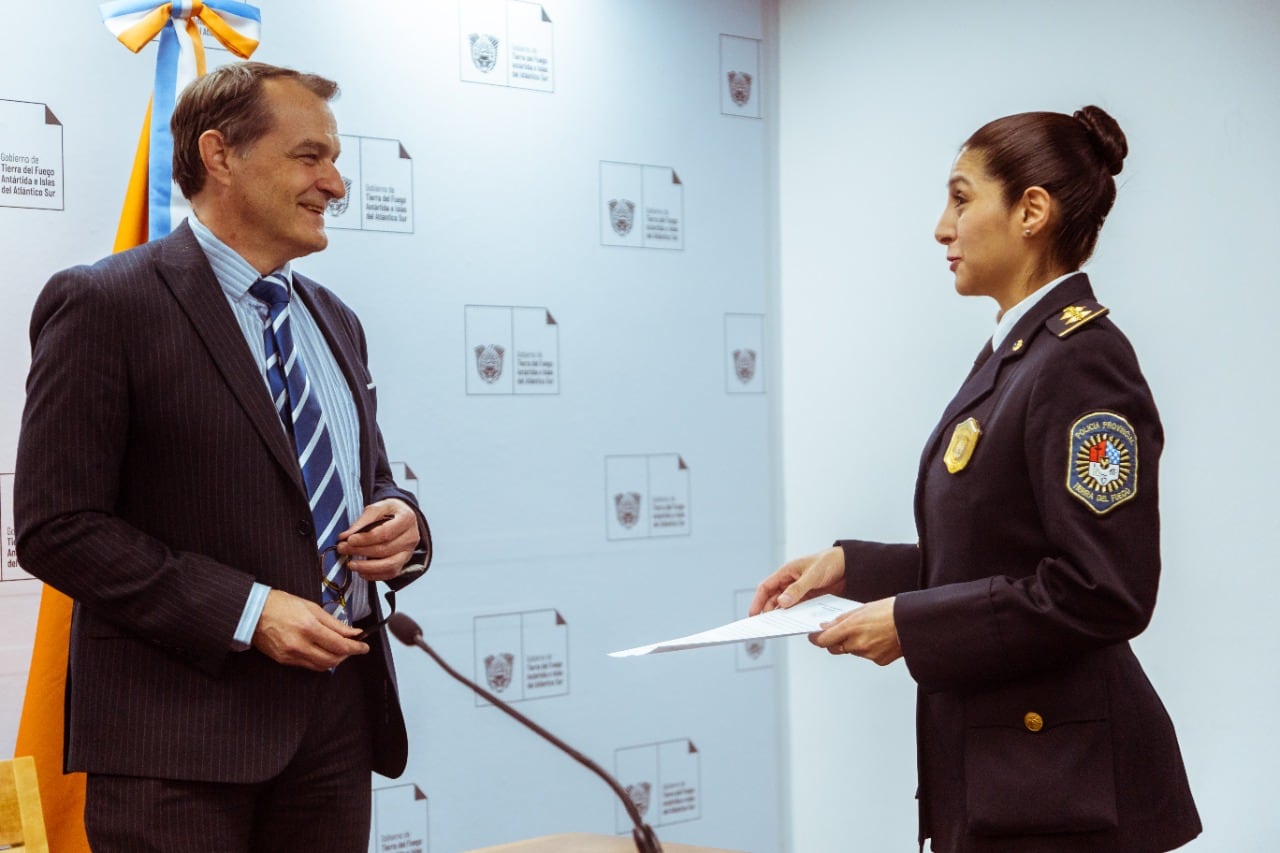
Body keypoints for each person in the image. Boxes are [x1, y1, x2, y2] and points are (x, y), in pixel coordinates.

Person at [751, 106, 1200, 852]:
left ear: (1030, 210)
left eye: (961, 198)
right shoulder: (1020, 355)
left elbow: (1103, 589)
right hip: (1015, 781)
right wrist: (854, 567)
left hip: (1067, 797)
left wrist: (910, 624)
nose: (941, 227)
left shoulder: (1080, 361)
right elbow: (996, 556)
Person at [14, 62, 431, 851]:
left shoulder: (335, 319)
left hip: (336, 730)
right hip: (176, 747)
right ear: (220, 154)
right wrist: (248, 611)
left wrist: (401, 520)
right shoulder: (104, 303)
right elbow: (56, 525)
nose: (336, 184)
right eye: (311, 157)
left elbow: (366, 477)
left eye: (335, 161)